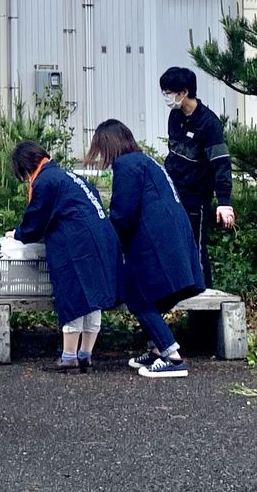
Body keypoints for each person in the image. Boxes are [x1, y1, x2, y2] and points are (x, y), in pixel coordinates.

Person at [86, 119, 204, 378]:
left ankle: (172, 357)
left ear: (109, 144)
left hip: (155, 239)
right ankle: (156, 349)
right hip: (174, 235)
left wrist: (108, 237)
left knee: (138, 294)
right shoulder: (146, 161)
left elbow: (122, 211)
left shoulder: (126, 165)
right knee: (156, 295)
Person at [6, 140, 121, 373]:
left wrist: (17, 233)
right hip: (102, 238)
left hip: (77, 243)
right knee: (92, 299)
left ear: (25, 166)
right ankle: (85, 355)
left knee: (74, 296)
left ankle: (69, 356)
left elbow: (35, 221)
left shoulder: (46, 180)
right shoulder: (66, 176)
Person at [159, 66, 233, 288]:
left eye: (169, 92)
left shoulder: (209, 123)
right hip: (175, 192)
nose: (166, 97)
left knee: (196, 249)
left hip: (197, 196)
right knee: (176, 245)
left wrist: (224, 202)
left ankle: (204, 301)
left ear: (183, 92)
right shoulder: (175, 116)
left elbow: (221, 162)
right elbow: (174, 154)